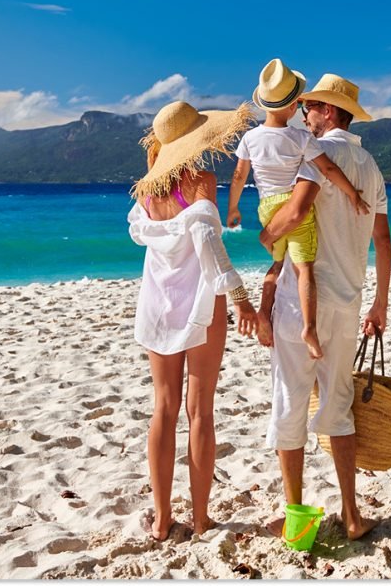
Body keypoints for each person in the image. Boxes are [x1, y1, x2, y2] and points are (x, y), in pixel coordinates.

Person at [257, 72, 391, 543]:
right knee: (339, 407)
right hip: (349, 303)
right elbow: (382, 239)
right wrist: (380, 302)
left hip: (303, 304)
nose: (304, 114)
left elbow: (294, 213)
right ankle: (352, 516)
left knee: (291, 402)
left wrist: (266, 236)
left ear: (328, 112)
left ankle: (298, 525)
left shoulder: (317, 154)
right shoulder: (370, 165)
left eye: (310, 107)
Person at [127, 100, 260, 540]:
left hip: (158, 304)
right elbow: (206, 238)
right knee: (199, 411)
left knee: (163, 410)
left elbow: (144, 235)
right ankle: (201, 519)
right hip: (202, 306)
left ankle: (163, 519)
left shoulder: (146, 190)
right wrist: (239, 296)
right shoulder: (200, 179)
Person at [227, 58, 369, 360]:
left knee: (277, 265)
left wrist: (233, 209)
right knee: (304, 270)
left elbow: (239, 176)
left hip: (266, 207)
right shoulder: (301, 138)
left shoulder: (250, 138)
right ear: (293, 107)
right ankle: (308, 327)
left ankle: (265, 310)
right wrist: (352, 194)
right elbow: (328, 169)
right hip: (290, 205)